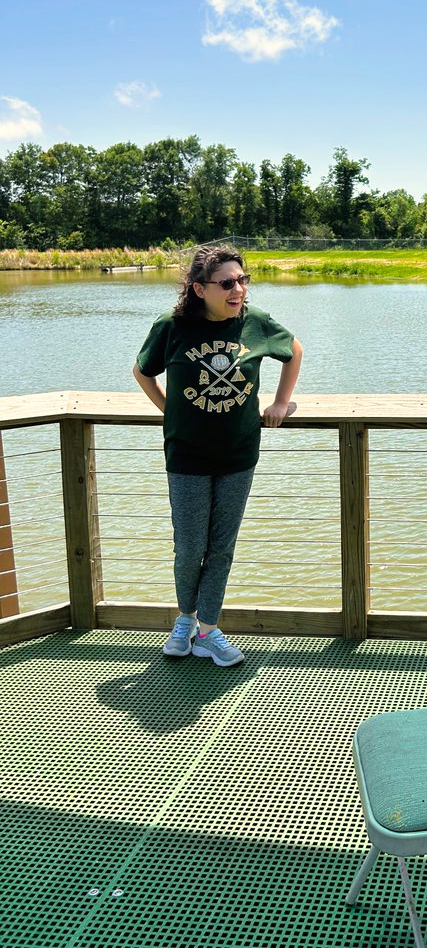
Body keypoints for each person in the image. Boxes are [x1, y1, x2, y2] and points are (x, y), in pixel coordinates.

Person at [133, 245, 303, 667]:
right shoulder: (172, 326)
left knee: (221, 547)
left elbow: (294, 351)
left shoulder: (256, 323)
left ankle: (207, 630)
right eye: (227, 283)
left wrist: (281, 403)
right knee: (190, 547)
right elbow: (143, 371)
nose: (238, 290)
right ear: (199, 289)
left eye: (243, 280)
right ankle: (185, 620)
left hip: (238, 454)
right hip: (187, 456)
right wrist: (169, 409)